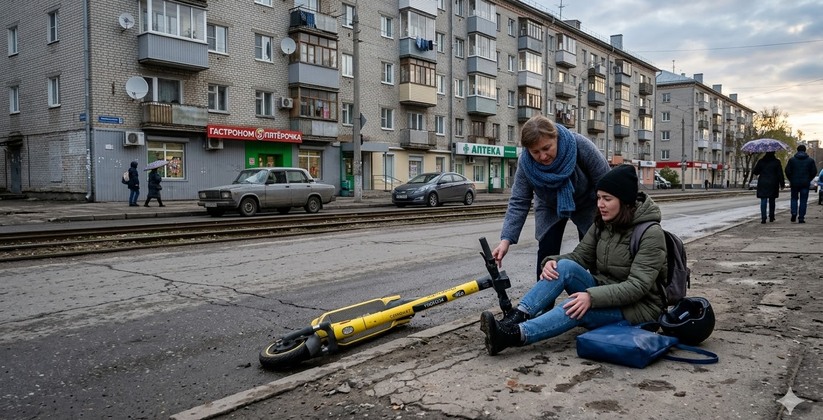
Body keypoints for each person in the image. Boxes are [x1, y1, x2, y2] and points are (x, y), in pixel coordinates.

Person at [480, 164, 667, 355]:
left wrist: (591, 298)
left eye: (607, 199)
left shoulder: (650, 233)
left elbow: (637, 287)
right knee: (565, 266)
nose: (600, 204)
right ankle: (515, 317)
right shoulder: (604, 223)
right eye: (599, 198)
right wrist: (551, 262)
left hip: (637, 309)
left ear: (625, 201)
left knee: (574, 305)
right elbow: (579, 257)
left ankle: (512, 335)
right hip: (605, 291)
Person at [492, 114, 610, 279]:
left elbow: (606, 182)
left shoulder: (579, 145)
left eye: (547, 148)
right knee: (546, 255)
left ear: (556, 137)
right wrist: (506, 240)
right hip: (549, 205)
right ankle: (544, 303)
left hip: (588, 203)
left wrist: (610, 220)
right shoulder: (526, 163)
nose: (542, 156)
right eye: (535, 152)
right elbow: (519, 201)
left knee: (595, 252)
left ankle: (598, 295)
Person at [784, 144, 818, 223]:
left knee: (794, 198)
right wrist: (809, 179)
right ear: (805, 150)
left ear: (797, 150)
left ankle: (794, 212)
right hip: (805, 183)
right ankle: (801, 217)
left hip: (794, 183)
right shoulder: (810, 160)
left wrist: (791, 179)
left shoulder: (792, 160)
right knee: (803, 200)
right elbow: (814, 172)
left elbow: (787, 171)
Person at [752, 151, 784, 223]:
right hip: (773, 182)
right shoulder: (776, 162)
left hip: (763, 182)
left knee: (763, 200)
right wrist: (782, 184)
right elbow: (780, 174)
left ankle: (763, 218)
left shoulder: (761, 161)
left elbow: (755, 172)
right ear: (774, 153)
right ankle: (771, 216)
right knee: (772, 200)